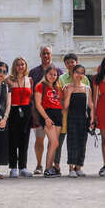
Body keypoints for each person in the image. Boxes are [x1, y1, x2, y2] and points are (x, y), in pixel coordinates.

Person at [29, 46, 63, 175]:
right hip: (40, 113)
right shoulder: (34, 73)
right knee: (40, 140)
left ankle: (51, 166)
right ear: (40, 55)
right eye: (44, 53)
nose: (46, 56)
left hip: (56, 113)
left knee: (53, 142)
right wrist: (35, 115)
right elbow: (32, 97)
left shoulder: (59, 72)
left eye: (48, 53)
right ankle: (40, 165)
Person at [62, 64, 93, 177]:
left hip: (83, 118)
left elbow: (91, 105)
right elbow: (65, 106)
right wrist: (69, 93)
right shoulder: (67, 87)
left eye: (81, 73)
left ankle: (79, 167)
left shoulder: (87, 88)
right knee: (72, 142)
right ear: (73, 73)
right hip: (71, 118)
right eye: (77, 72)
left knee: (82, 142)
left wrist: (92, 119)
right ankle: (71, 168)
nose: (79, 75)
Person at [34, 65, 63, 177]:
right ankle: (47, 168)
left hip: (58, 115)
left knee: (53, 144)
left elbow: (61, 102)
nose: (52, 76)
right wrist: (46, 118)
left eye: (55, 75)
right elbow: (38, 104)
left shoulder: (57, 87)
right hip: (48, 114)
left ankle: (50, 168)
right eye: (50, 74)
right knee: (55, 142)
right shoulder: (40, 86)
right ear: (46, 74)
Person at [6, 57, 33, 177]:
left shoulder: (30, 80)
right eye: (18, 65)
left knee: (24, 140)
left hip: (26, 111)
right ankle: (13, 167)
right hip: (14, 110)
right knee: (13, 140)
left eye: (23, 64)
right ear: (14, 67)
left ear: (26, 66)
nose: (21, 66)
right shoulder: (9, 80)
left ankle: (23, 167)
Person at [56, 53, 80, 172]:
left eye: (72, 62)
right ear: (65, 64)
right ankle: (56, 166)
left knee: (75, 141)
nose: (70, 64)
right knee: (59, 141)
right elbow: (59, 97)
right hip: (64, 113)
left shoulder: (83, 78)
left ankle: (75, 166)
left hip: (78, 114)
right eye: (68, 62)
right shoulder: (61, 78)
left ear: (77, 62)